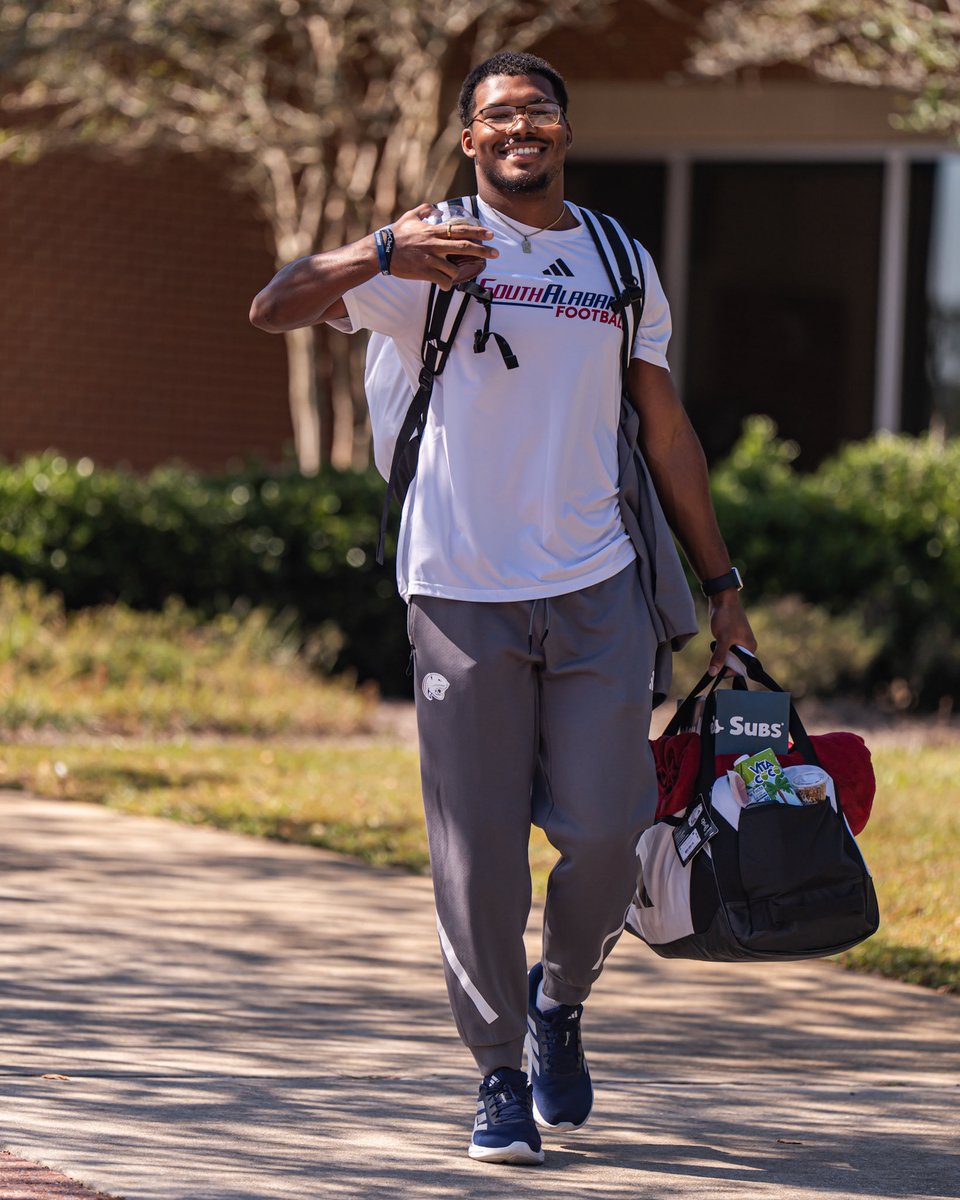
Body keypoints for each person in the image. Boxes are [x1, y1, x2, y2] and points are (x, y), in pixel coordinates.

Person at [250, 50, 756, 1167]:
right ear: (469, 141)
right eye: (497, 115)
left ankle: (558, 1003)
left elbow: (665, 433)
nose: (520, 125)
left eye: (539, 109)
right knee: (477, 858)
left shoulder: (618, 259)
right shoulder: (424, 249)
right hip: (460, 592)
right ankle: (493, 1075)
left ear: (564, 132)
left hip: (597, 585)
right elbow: (272, 304)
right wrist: (382, 249)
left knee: (612, 839)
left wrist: (723, 591)